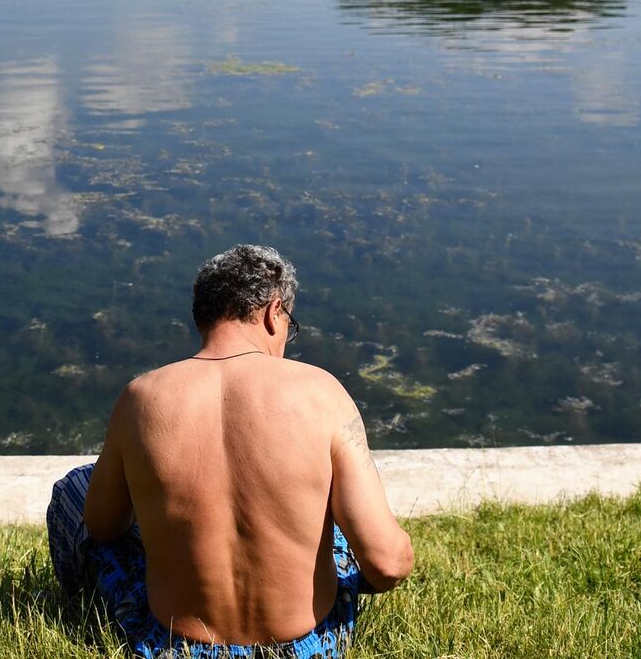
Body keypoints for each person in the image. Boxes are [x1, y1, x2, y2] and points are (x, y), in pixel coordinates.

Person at [48, 245, 414, 657]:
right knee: (338, 518)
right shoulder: (322, 393)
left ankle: (74, 602)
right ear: (273, 313)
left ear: (203, 316)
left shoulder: (141, 397)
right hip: (305, 648)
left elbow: (102, 527)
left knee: (78, 486)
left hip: (176, 648)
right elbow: (387, 564)